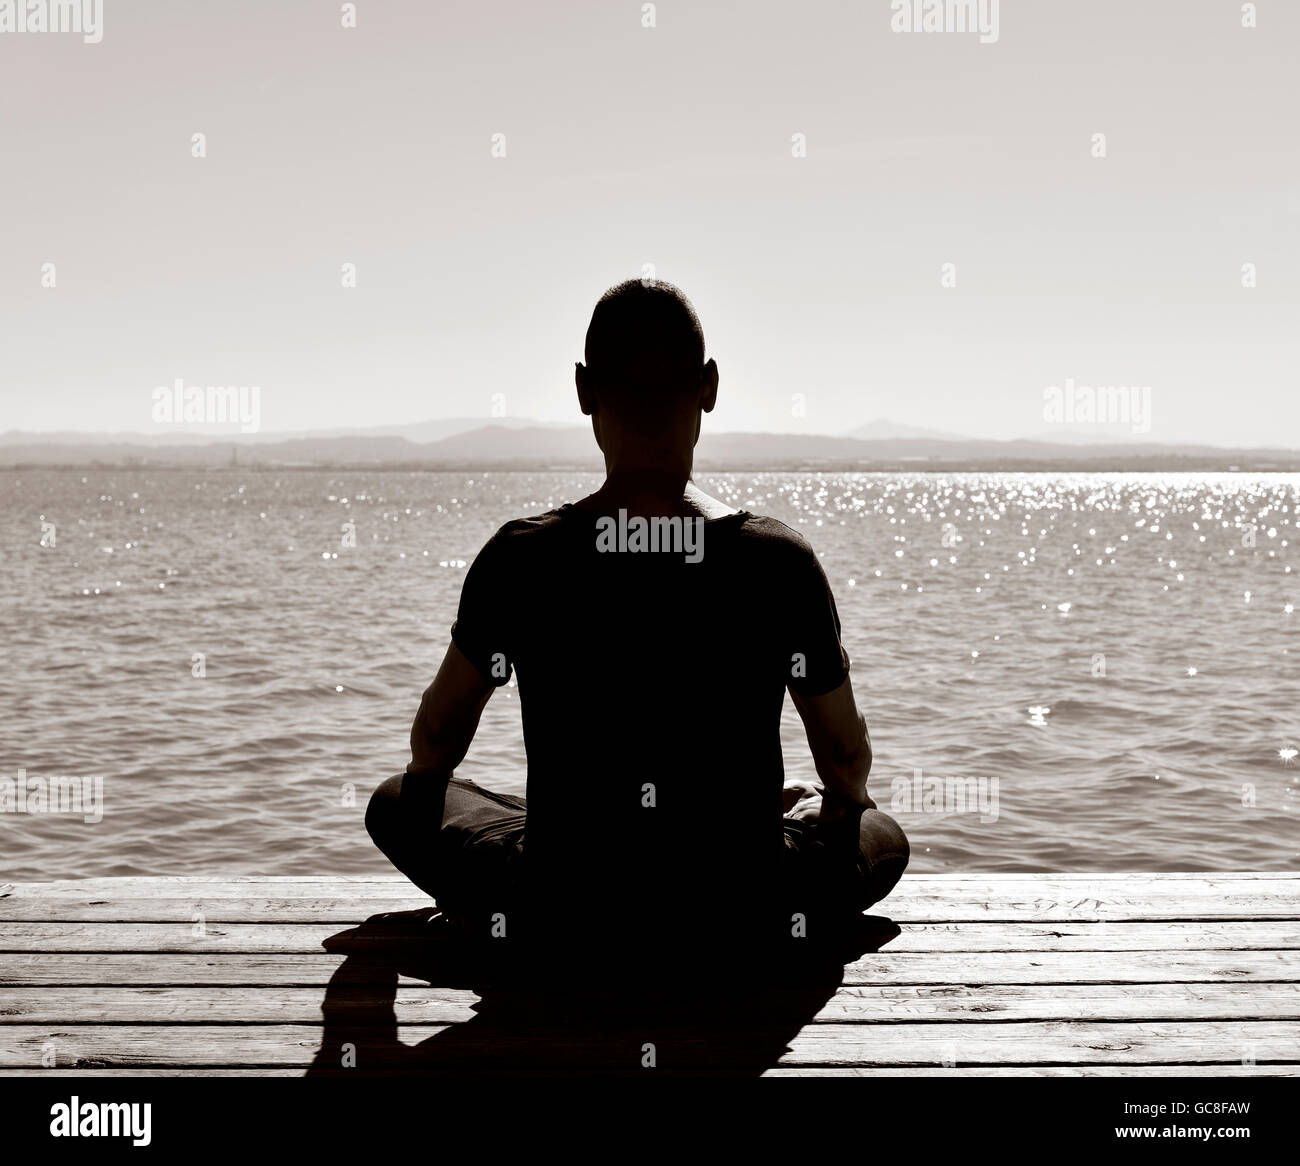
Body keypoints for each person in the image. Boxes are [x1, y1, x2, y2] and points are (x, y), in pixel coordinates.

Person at [366, 278, 908, 988]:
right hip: (741, 916)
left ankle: (559, 847)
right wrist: (818, 808)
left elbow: (433, 747)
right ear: (709, 387)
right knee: (880, 835)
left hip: (562, 918)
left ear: (585, 390)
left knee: (395, 801)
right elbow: (844, 760)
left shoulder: (522, 558)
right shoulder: (780, 561)